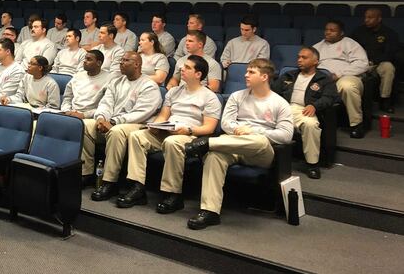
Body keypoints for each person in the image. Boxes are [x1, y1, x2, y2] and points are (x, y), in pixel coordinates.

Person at [185, 58, 293, 230]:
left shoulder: (280, 103)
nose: (245, 74)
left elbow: (286, 135)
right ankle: (210, 212)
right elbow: (226, 123)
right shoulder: (237, 96)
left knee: (260, 140)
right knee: (215, 156)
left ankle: (207, 143)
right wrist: (238, 130)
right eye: (247, 71)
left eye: (251, 72)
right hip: (233, 146)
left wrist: (254, 131)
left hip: (260, 152)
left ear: (264, 76)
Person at [119, 55, 221, 211]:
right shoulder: (174, 92)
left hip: (189, 134)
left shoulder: (210, 97)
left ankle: (173, 194)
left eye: (187, 68)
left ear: (198, 74)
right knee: (137, 136)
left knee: (171, 142)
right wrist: (155, 126)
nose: (181, 69)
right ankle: (137, 186)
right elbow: (163, 116)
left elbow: (209, 128)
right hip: (167, 130)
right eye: (183, 66)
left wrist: (188, 130)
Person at [85, 51, 162, 198]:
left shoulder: (149, 85)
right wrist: (101, 118)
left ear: (137, 64)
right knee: (86, 125)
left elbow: (142, 113)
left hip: (137, 124)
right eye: (121, 60)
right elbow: (106, 103)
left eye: (126, 61)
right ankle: (86, 172)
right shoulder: (116, 82)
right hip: (112, 121)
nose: (121, 63)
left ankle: (109, 181)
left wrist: (113, 121)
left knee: (116, 131)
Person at [272, 47, 339, 179]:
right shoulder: (289, 75)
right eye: (298, 57)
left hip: (304, 110)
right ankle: (267, 159)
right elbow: (273, 91)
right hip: (284, 108)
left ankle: (312, 164)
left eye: (304, 57)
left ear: (315, 61)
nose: (299, 60)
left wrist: (315, 105)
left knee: (310, 125)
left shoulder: (324, 79)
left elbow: (330, 97)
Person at [313, 20, 369, 138]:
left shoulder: (350, 44)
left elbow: (363, 64)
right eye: (326, 30)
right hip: (323, 78)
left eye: (332, 30)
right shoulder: (317, 47)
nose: (328, 32)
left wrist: (339, 74)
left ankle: (356, 124)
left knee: (347, 86)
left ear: (341, 33)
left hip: (346, 76)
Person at [351, 8, 398, 113]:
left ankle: (385, 99)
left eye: (370, 18)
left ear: (379, 19)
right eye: (365, 17)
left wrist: (373, 61)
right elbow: (350, 48)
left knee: (388, 68)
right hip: (360, 62)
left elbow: (390, 53)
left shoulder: (389, 33)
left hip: (379, 63)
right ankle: (356, 103)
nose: (366, 20)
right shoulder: (358, 31)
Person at [61, 50, 112, 122]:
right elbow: (67, 98)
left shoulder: (108, 79)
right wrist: (66, 110)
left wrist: (84, 115)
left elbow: (105, 106)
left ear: (99, 63)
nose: (84, 61)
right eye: (85, 58)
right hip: (71, 113)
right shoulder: (78, 76)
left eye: (89, 59)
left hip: (91, 117)